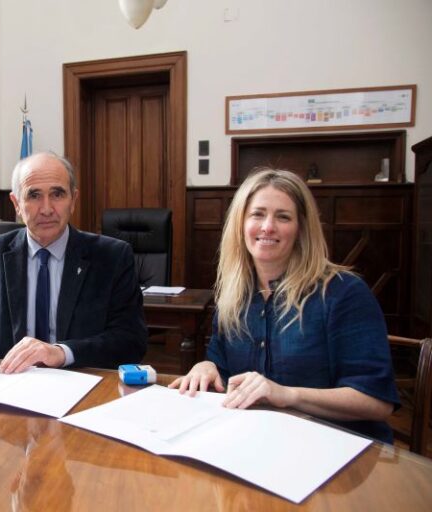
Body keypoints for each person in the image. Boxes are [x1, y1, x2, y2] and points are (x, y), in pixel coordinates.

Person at [169, 168, 399, 443]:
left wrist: (287, 394)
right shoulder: (234, 293)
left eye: (283, 216)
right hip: (258, 443)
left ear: (301, 228)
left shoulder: (344, 293)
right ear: (241, 223)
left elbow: (376, 400)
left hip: (339, 451)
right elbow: (222, 365)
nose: (267, 227)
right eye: (257, 214)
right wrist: (206, 366)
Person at [0, 152, 147, 373]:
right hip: (9, 386)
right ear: (16, 203)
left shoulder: (113, 257)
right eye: (33, 195)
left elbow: (131, 341)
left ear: (73, 200)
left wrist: (61, 352)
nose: (46, 209)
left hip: (81, 385)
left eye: (57, 194)